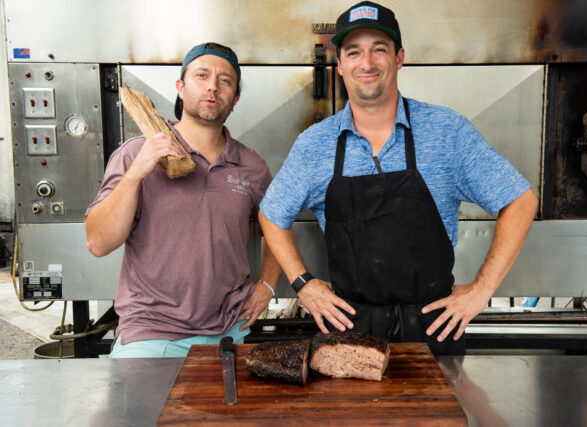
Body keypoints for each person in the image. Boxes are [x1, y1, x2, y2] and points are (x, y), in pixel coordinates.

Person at [258, 2, 538, 355]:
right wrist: (304, 284)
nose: (368, 62)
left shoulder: (446, 131)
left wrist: (482, 289)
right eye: (354, 52)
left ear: (399, 57)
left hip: (434, 328)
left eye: (380, 49)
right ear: (340, 65)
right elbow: (271, 215)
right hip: (350, 331)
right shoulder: (315, 144)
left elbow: (520, 200)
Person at [85, 42, 281, 358]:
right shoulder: (136, 152)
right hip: (149, 334)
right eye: (201, 75)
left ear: (236, 98)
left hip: (228, 334)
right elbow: (98, 242)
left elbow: (277, 229)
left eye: (225, 80)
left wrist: (267, 287)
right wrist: (136, 173)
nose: (213, 86)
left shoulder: (252, 167)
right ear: (180, 87)